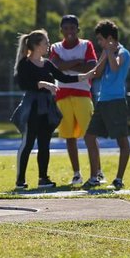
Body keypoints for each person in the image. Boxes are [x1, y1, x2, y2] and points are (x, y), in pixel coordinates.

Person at [13, 29, 96, 189]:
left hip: (47, 108)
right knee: (28, 143)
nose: (48, 45)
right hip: (32, 107)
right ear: (37, 45)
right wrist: (43, 84)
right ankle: (20, 181)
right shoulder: (25, 63)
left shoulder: (47, 63)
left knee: (45, 143)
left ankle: (43, 178)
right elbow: (23, 84)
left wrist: (85, 76)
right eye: (45, 42)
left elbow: (63, 77)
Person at [49, 15, 98, 186]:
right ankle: (77, 174)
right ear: (61, 30)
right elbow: (56, 67)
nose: (69, 32)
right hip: (62, 95)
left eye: (72, 28)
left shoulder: (86, 45)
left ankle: (96, 174)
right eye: (66, 28)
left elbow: (90, 67)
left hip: (83, 94)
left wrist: (67, 65)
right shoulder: (55, 47)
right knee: (69, 137)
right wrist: (77, 62)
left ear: (78, 29)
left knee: (89, 136)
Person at [82, 20, 130, 190]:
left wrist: (110, 51)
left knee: (122, 141)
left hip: (116, 102)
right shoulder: (106, 51)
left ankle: (119, 178)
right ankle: (94, 177)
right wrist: (104, 53)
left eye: (101, 39)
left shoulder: (124, 53)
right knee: (89, 136)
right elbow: (98, 71)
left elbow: (115, 67)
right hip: (103, 101)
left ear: (109, 38)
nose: (99, 43)